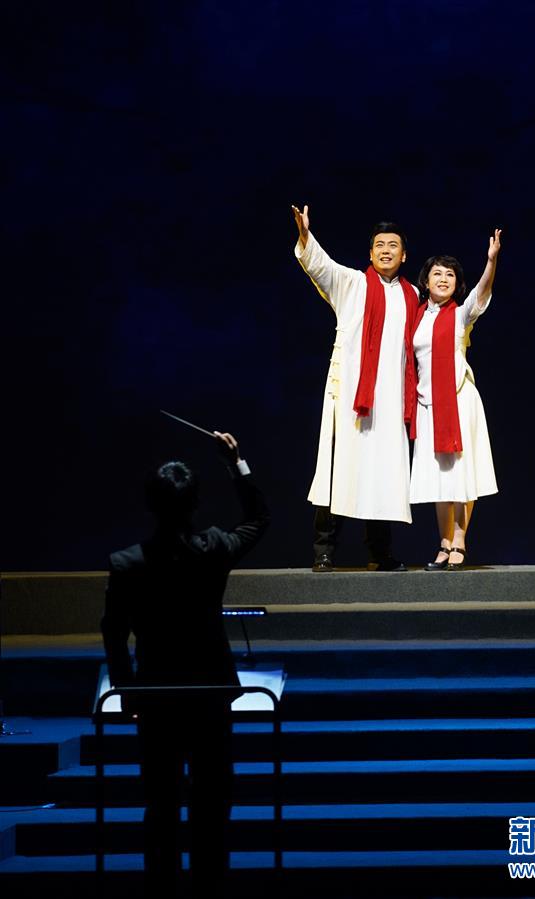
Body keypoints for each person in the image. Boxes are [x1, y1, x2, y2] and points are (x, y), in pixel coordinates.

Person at [101, 432, 269, 898]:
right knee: (212, 805)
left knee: (160, 805)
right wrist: (236, 464)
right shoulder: (214, 548)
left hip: (155, 697)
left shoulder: (127, 564)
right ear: (195, 503)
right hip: (209, 697)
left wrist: (127, 691)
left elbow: (113, 632)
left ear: (150, 505)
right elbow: (259, 518)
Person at [292, 203, 419, 572]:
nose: (385, 250)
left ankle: (379, 552)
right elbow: (320, 266)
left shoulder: (413, 295)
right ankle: (324, 550)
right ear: (370, 252)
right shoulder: (353, 284)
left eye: (393, 245)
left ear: (404, 255)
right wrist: (305, 235)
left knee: (381, 473)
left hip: (390, 403)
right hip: (351, 396)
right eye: (379, 244)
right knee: (337, 469)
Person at [409, 230, 502, 570]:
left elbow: (481, 294)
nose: (443, 279)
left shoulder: (460, 315)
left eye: (450, 274)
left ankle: (460, 540)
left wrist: (491, 262)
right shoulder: (417, 317)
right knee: (440, 478)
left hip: (459, 399)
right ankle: (444, 542)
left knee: (462, 474)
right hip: (428, 404)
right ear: (426, 281)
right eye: (437, 273)